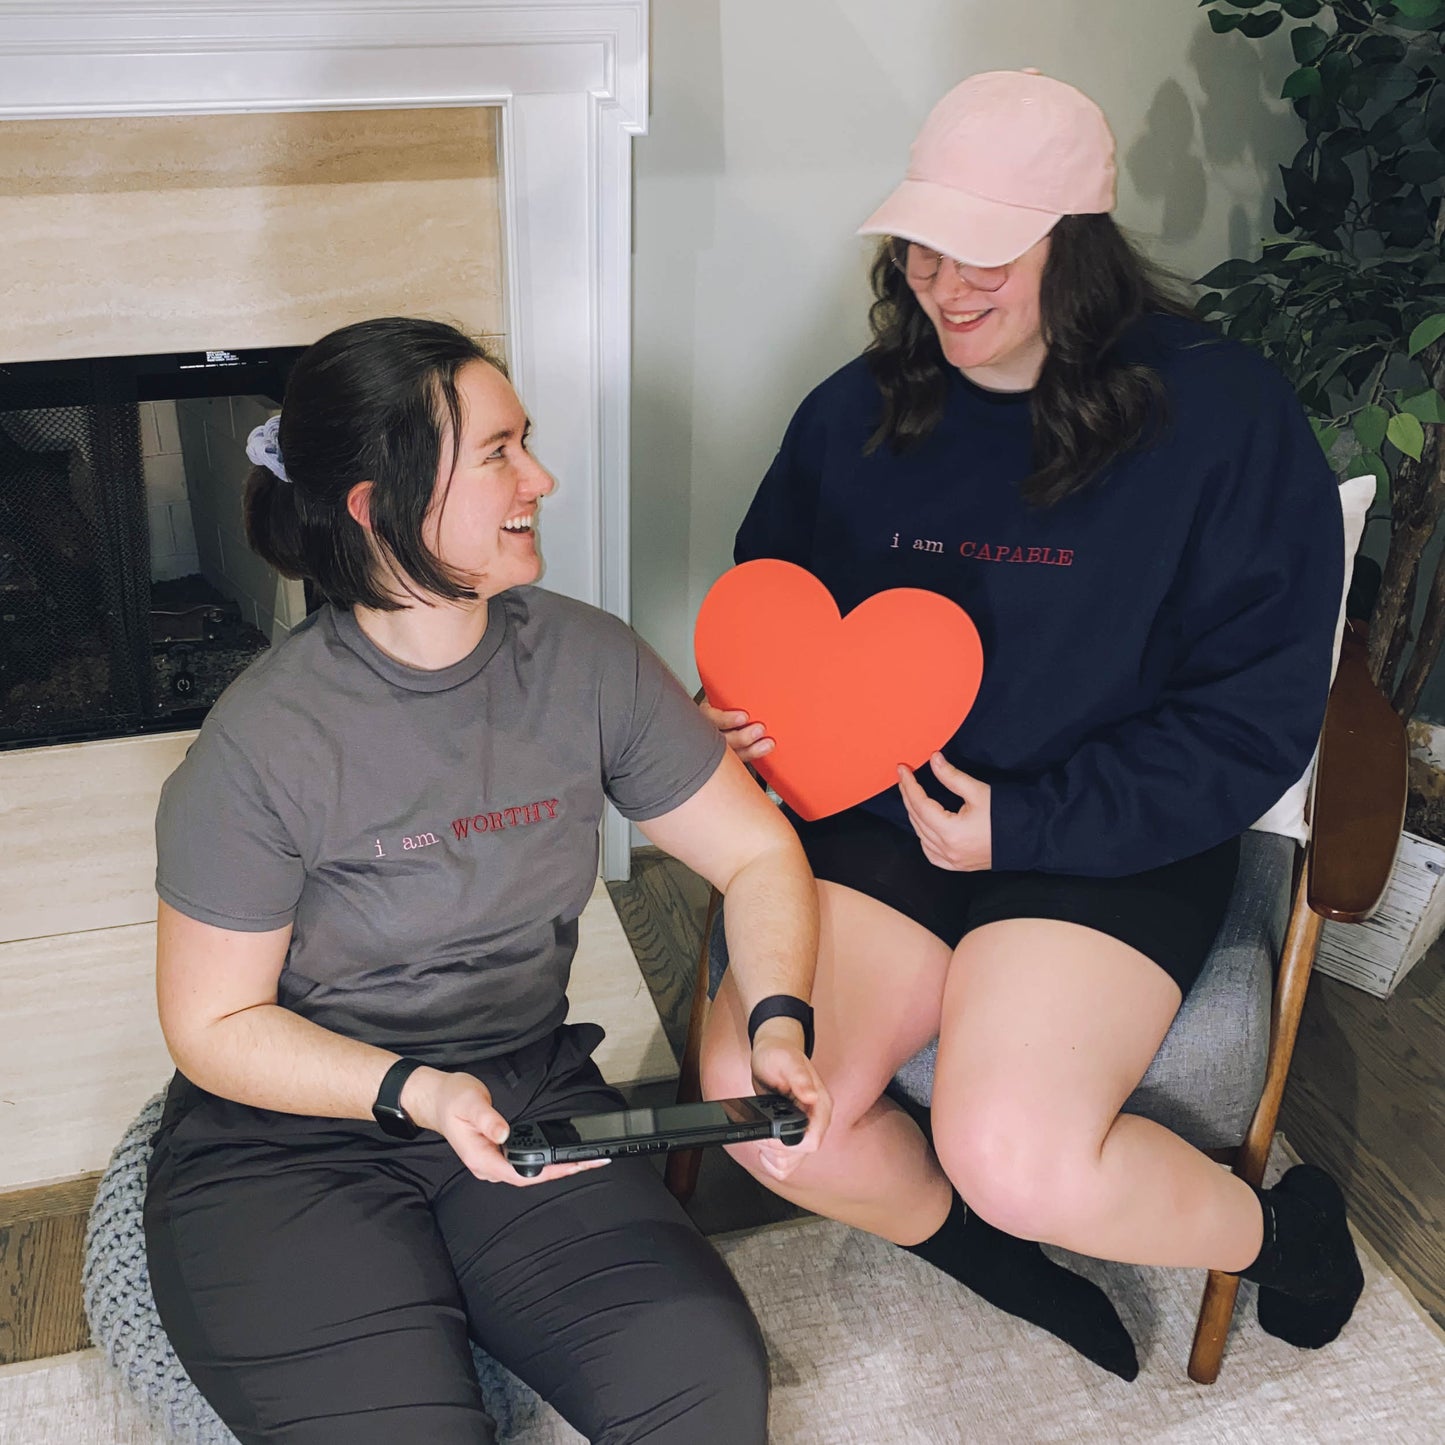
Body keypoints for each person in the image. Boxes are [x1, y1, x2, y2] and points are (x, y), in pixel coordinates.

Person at [698, 70, 1363, 1382]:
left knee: (1017, 1152)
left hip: (1104, 833)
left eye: (988, 248)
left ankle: (1275, 1230)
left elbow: (1255, 717)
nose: (946, 282)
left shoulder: (1223, 416)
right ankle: (986, 1258)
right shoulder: (856, 410)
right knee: (766, 1119)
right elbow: (776, 609)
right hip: (882, 821)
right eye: (924, 243)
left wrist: (1027, 819)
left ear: (1081, 242)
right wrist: (753, 723)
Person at [144, 316, 832, 1445]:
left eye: (528, 443)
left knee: (705, 1392)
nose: (542, 477)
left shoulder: (588, 659)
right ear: (376, 504)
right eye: (501, 452)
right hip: (287, 1140)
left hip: (526, 1096)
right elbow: (211, 1020)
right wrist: (414, 1086)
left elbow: (754, 850)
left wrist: (776, 1022)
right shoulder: (260, 742)